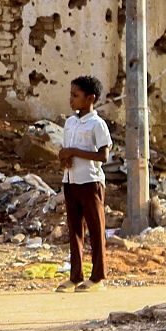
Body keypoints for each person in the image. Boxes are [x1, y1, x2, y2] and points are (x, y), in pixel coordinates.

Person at [56, 75, 112, 292]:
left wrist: (74, 152)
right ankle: (75, 276)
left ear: (90, 98)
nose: (71, 99)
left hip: (90, 181)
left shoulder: (97, 124)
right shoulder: (70, 123)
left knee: (96, 230)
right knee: (75, 230)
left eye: (75, 96)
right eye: (70, 95)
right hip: (71, 181)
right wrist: (65, 156)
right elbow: (66, 148)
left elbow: (103, 155)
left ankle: (98, 277)